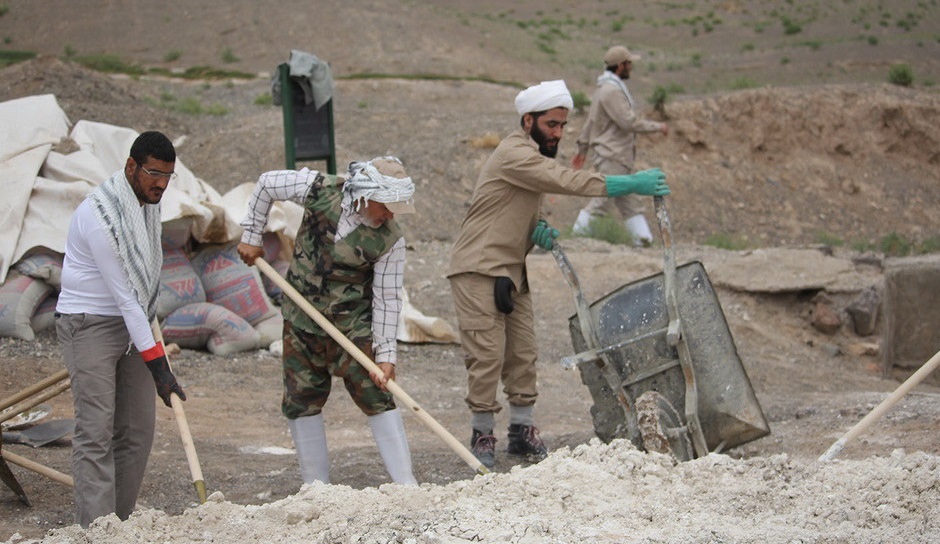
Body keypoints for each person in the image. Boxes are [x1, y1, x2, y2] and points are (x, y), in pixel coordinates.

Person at [447, 79, 669, 469]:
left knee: (523, 353)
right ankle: (482, 433)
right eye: (552, 124)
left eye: (564, 126)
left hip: (511, 270)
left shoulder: (529, 155)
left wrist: (539, 226)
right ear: (528, 120)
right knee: (486, 355)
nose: (559, 133)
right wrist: (625, 184)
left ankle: (521, 431)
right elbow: (563, 180)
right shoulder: (514, 152)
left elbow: (522, 199)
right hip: (479, 269)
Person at [237, 157, 418, 486]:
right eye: (386, 205)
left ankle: (407, 485)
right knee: (301, 399)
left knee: (377, 395)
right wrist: (252, 234)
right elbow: (266, 183)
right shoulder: (319, 189)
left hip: (352, 327)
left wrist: (387, 356)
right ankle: (315, 488)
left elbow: (388, 298)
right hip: (301, 320)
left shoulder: (391, 240)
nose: (391, 214)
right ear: (366, 194)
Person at [55, 131, 187, 527]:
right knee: (96, 431)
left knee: (137, 432)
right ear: (131, 167)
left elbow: (141, 291)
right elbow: (127, 296)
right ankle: (97, 530)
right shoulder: (101, 217)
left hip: (133, 325)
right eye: (153, 174)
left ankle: (120, 525)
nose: (161, 184)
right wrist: (160, 369)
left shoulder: (146, 205)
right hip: (88, 323)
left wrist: (152, 357)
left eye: (168, 176)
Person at [571, 45, 669, 246]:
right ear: (620, 66)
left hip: (615, 157)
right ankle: (575, 240)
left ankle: (643, 242)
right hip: (613, 156)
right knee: (602, 199)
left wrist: (582, 149)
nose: (631, 68)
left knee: (629, 201)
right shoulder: (612, 92)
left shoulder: (603, 90)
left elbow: (590, 123)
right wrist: (657, 127)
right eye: (629, 63)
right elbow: (628, 122)